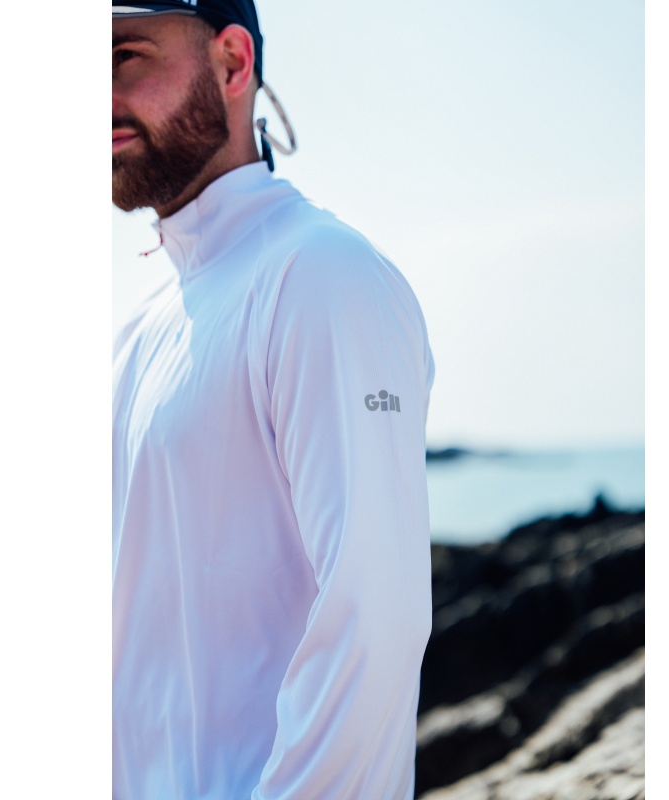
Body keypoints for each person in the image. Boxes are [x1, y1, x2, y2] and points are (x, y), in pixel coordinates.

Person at [111, 1, 435, 798]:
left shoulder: (323, 276)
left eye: (125, 57)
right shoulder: (138, 331)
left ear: (232, 63)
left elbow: (374, 617)